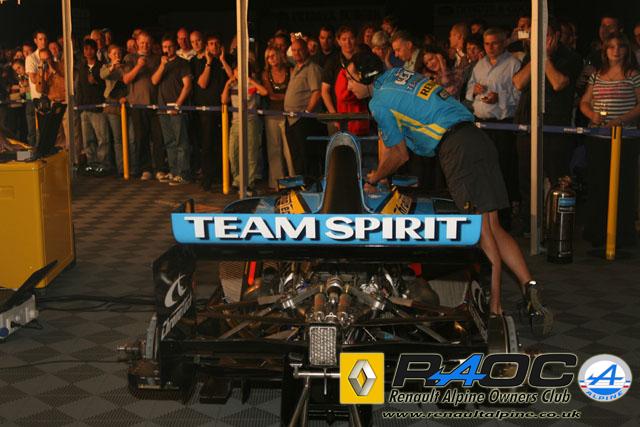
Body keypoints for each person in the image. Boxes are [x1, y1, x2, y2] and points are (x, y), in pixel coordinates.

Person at [345, 51, 553, 337]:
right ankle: (531, 290)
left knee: (481, 233)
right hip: (477, 138)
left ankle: (495, 311)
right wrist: (381, 175)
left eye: (350, 78)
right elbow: (388, 140)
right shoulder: (394, 76)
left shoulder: (378, 101)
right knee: (493, 226)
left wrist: (374, 177)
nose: (348, 86)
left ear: (365, 77)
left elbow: (399, 154)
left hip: (457, 150)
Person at [512, 20, 582, 236]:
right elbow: (518, 82)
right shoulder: (530, 56)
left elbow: (558, 82)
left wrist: (544, 58)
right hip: (528, 124)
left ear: (556, 36)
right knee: (527, 177)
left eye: (545, 35)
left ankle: (558, 226)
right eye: (535, 36)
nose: (540, 40)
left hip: (555, 126)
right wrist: (537, 56)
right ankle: (529, 223)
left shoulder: (570, 57)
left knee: (557, 176)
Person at [579, 33, 640, 248]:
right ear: (604, 51)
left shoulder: (633, 75)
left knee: (623, 185)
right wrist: (591, 114)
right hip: (598, 138)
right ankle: (597, 232)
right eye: (611, 46)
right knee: (598, 184)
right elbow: (584, 102)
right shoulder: (596, 75)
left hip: (625, 138)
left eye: (620, 46)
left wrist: (620, 120)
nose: (616, 51)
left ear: (627, 50)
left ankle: (622, 234)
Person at [466, 28, 522, 230]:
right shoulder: (479, 64)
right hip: (480, 124)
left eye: (494, 43)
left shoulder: (513, 64)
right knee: (481, 171)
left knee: (503, 171)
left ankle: (504, 219)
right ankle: (483, 216)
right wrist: (474, 90)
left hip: (502, 126)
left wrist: (500, 97)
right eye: (487, 43)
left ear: (503, 43)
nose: (490, 47)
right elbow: (468, 90)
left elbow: (519, 95)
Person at [151, 35, 193, 186]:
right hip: (163, 108)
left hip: (177, 108)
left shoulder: (183, 63)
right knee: (169, 142)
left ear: (175, 47)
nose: (167, 50)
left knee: (181, 142)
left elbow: (187, 85)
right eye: (164, 47)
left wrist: (178, 104)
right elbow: (154, 81)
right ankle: (174, 171)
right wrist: (162, 66)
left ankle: (183, 173)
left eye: (170, 47)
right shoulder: (161, 63)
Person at [122, 31, 164, 180]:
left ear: (151, 44)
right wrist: (139, 66)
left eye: (147, 43)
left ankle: (160, 168)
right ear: (137, 43)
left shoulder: (157, 58)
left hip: (155, 104)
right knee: (141, 138)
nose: (145, 45)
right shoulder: (130, 58)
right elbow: (126, 79)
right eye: (142, 43)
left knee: (158, 138)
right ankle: (145, 168)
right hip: (137, 104)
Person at [221, 64, 268, 195]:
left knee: (251, 152)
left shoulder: (252, 84)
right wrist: (227, 85)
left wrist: (250, 81)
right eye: (236, 71)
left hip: (250, 121)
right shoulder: (232, 86)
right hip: (236, 122)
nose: (238, 73)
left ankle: (249, 183)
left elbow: (264, 92)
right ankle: (237, 181)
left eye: (241, 70)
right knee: (233, 152)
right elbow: (224, 100)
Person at [193, 34, 231, 191]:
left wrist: (223, 60)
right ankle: (207, 179)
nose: (214, 46)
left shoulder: (228, 59)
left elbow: (233, 78)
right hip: (207, 112)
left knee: (223, 146)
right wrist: (209, 62)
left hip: (224, 110)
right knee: (208, 145)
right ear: (207, 47)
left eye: (216, 43)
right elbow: (202, 84)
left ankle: (224, 178)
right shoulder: (201, 62)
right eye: (211, 44)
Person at [283, 38, 324, 178]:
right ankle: (302, 184)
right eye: (294, 50)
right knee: (297, 156)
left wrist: (306, 113)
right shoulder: (296, 68)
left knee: (307, 156)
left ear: (306, 50)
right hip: (291, 119)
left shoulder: (312, 68)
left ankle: (310, 184)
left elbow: (317, 92)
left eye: (299, 50)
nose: (296, 53)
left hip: (304, 120)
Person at [76, 39, 110, 175]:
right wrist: (79, 106)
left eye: (91, 49)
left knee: (102, 138)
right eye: (86, 49)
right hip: (84, 108)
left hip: (98, 108)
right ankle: (92, 164)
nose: (88, 52)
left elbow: (107, 86)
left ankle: (103, 165)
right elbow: (79, 87)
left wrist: (96, 82)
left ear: (96, 50)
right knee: (88, 139)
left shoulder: (101, 66)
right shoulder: (81, 67)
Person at [101, 44, 131, 177]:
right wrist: (113, 67)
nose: (117, 56)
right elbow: (103, 75)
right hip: (111, 104)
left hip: (124, 103)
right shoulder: (106, 67)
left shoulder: (126, 67)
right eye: (114, 54)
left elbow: (129, 81)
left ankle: (126, 167)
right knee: (114, 138)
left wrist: (122, 69)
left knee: (125, 138)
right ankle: (116, 167)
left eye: (119, 53)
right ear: (109, 55)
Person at [262, 46, 291, 189]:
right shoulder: (266, 74)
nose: (271, 59)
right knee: (274, 149)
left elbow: (293, 92)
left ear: (280, 55)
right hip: (272, 114)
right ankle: (276, 183)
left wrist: (288, 97)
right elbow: (271, 95)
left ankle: (293, 180)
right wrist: (287, 97)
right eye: (268, 57)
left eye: (273, 55)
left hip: (289, 113)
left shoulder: (290, 71)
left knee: (289, 150)